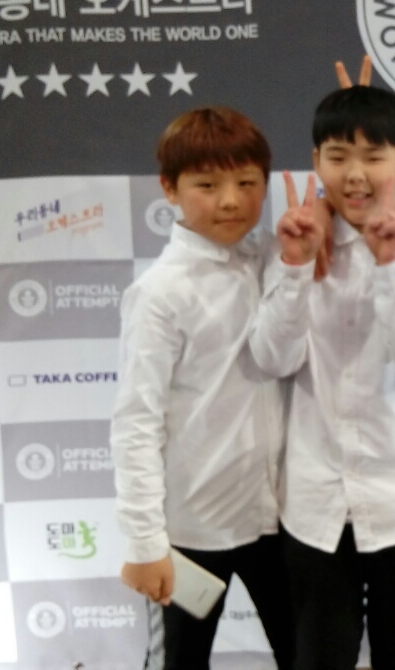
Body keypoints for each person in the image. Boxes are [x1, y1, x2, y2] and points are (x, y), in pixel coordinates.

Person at [252, 84, 395, 670]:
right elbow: (273, 359)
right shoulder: (291, 243)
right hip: (316, 503)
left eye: (374, 156)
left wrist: (390, 266)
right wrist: (295, 268)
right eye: (338, 156)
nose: (356, 173)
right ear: (316, 162)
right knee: (319, 659)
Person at [110, 106, 297, 670]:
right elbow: (136, 422)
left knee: (308, 656)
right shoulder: (159, 293)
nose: (231, 201)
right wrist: (145, 542)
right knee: (182, 663)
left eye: (247, 183)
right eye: (207, 185)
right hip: (192, 531)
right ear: (170, 188)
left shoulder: (276, 259)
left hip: (281, 520)